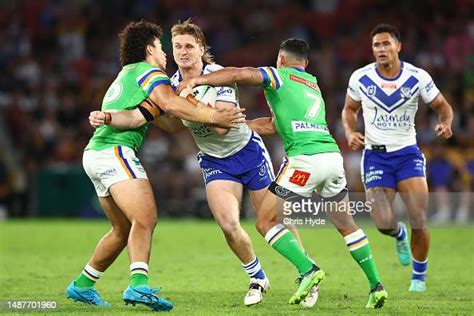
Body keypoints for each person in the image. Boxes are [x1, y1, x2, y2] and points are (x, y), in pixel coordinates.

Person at [90, 19, 315, 307]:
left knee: (274, 219)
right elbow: (173, 126)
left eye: (189, 46)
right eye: (177, 46)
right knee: (228, 224)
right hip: (214, 160)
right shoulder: (169, 85)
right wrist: (138, 113)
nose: (182, 52)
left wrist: (185, 100)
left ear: (201, 50)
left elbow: (222, 126)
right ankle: (257, 277)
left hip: (248, 152)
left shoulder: (218, 75)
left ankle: (306, 272)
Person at [176, 38, 388, 308]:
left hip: (304, 163)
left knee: (265, 222)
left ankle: (308, 270)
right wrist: (246, 125)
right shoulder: (312, 85)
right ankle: (376, 286)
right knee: (347, 225)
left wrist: (197, 81)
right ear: (306, 63)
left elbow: (239, 73)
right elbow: (277, 124)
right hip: (334, 159)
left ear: (281, 59)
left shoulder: (277, 75)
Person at [66, 20, 244, 311]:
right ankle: (138, 286)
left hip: (96, 153)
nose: (166, 54)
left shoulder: (128, 73)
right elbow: (171, 106)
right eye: (163, 47)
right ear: (150, 49)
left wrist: (108, 118)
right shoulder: (150, 72)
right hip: (115, 152)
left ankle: (82, 286)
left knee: (122, 230)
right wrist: (213, 117)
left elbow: (144, 118)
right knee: (146, 219)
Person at [341, 23, 454, 292]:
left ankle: (418, 277)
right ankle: (397, 233)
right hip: (376, 156)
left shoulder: (417, 77)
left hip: (407, 154)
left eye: (386, 44)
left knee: (419, 217)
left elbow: (443, 106)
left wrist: (446, 122)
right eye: (376, 45)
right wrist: (349, 131)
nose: (381, 49)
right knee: (381, 221)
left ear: (398, 46)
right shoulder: (360, 78)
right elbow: (349, 109)